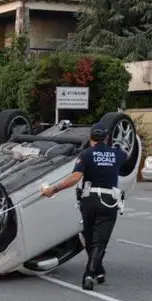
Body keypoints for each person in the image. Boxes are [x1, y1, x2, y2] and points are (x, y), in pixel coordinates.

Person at [42, 122, 127, 290]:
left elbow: (75, 178)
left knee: (89, 237)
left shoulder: (86, 154)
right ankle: (93, 273)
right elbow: (126, 156)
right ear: (107, 138)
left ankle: (93, 272)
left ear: (90, 138)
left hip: (89, 200)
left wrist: (54, 189)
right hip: (109, 201)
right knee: (100, 241)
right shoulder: (117, 154)